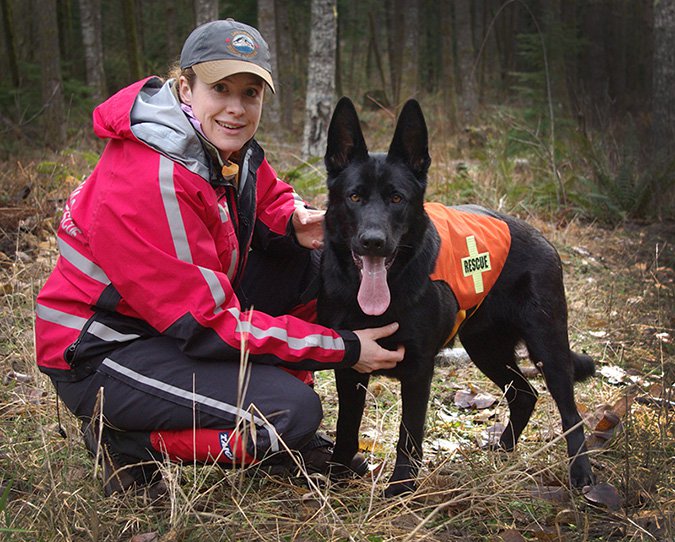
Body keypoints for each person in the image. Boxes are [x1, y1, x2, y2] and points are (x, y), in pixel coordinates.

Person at [34, 18, 404, 496]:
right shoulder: (151, 180)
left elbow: (266, 195)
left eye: (250, 93)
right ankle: (127, 443)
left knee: (319, 268)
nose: (236, 108)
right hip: (105, 349)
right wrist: (345, 348)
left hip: (165, 325)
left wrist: (294, 218)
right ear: (186, 87)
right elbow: (208, 323)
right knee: (287, 414)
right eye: (221, 88)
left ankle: (276, 426)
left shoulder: (225, 146)